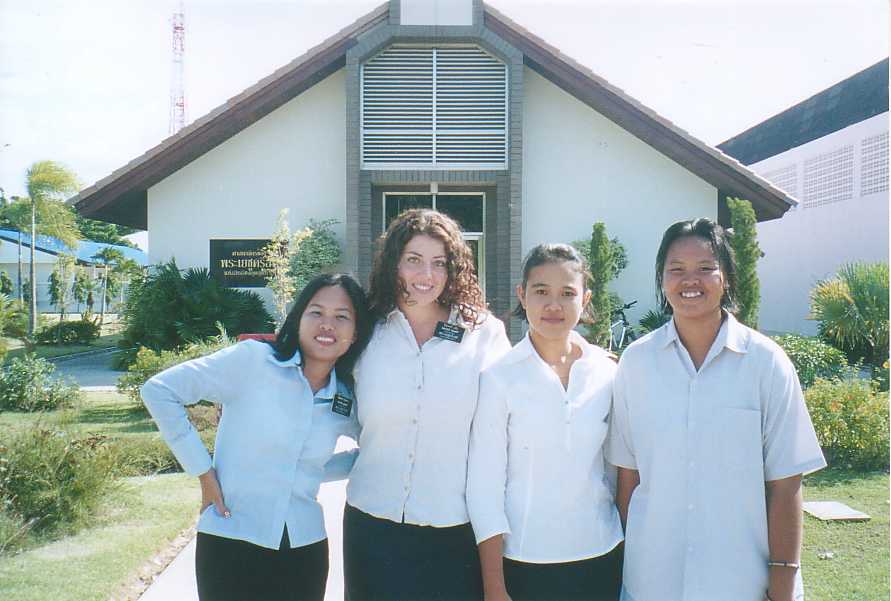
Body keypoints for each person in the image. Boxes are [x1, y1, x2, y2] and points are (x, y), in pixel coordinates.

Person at [607, 218, 826, 601]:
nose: (690, 280)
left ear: (726, 277)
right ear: (662, 279)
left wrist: (783, 582)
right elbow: (629, 476)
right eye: (676, 270)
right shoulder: (636, 363)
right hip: (652, 581)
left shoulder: (765, 362)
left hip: (742, 582)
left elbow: (787, 482)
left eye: (705, 268)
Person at [141, 273, 373, 601]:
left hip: (304, 549)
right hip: (231, 537)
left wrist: (314, 470)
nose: (327, 325)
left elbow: (375, 449)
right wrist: (203, 471)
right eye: (316, 312)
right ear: (297, 318)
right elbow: (160, 391)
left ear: (356, 333)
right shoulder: (253, 361)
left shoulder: (345, 397)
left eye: (342, 317)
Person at [343, 208, 511, 601]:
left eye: (439, 263)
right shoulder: (366, 329)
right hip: (371, 524)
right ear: (393, 264)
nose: (426, 276)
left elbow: (515, 405)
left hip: (452, 530)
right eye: (414, 260)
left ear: (454, 269)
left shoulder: (483, 333)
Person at [467, 243, 624, 601]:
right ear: (522, 295)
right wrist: (494, 586)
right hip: (524, 561)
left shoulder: (607, 371)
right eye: (541, 292)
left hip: (601, 554)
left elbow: (616, 469)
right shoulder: (499, 378)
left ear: (585, 299)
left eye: (567, 293)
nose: (554, 305)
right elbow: (484, 487)